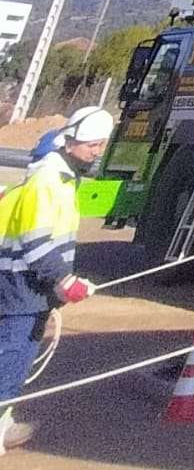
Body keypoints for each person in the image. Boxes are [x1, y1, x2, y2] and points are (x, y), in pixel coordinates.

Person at [0, 105, 110, 453]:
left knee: (17, 355)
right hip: (22, 284)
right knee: (13, 355)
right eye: (92, 145)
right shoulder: (47, 183)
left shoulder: (60, 181)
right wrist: (64, 281)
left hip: (29, 285)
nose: (97, 152)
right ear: (70, 142)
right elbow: (37, 243)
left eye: (101, 144)